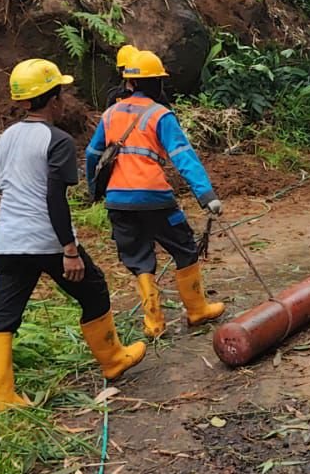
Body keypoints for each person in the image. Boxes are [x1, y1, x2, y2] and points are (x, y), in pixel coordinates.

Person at [0, 58, 146, 412]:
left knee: (4, 316)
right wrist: (70, 249)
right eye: (59, 93)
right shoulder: (57, 140)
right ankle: (113, 360)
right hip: (47, 241)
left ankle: (0, 400)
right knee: (93, 290)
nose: (62, 100)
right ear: (52, 99)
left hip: (10, 243)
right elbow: (53, 197)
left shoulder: (7, 138)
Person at [85, 50, 225, 338]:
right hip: (155, 197)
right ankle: (197, 310)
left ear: (129, 83)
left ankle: (154, 324)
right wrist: (206, 194)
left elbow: (92, 153)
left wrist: (94, 188)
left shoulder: (110, 113)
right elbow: (183, 156)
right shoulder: (160, 115)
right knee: (184, 247)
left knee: (138, 258)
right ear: (158, 84)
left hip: (119, 201)